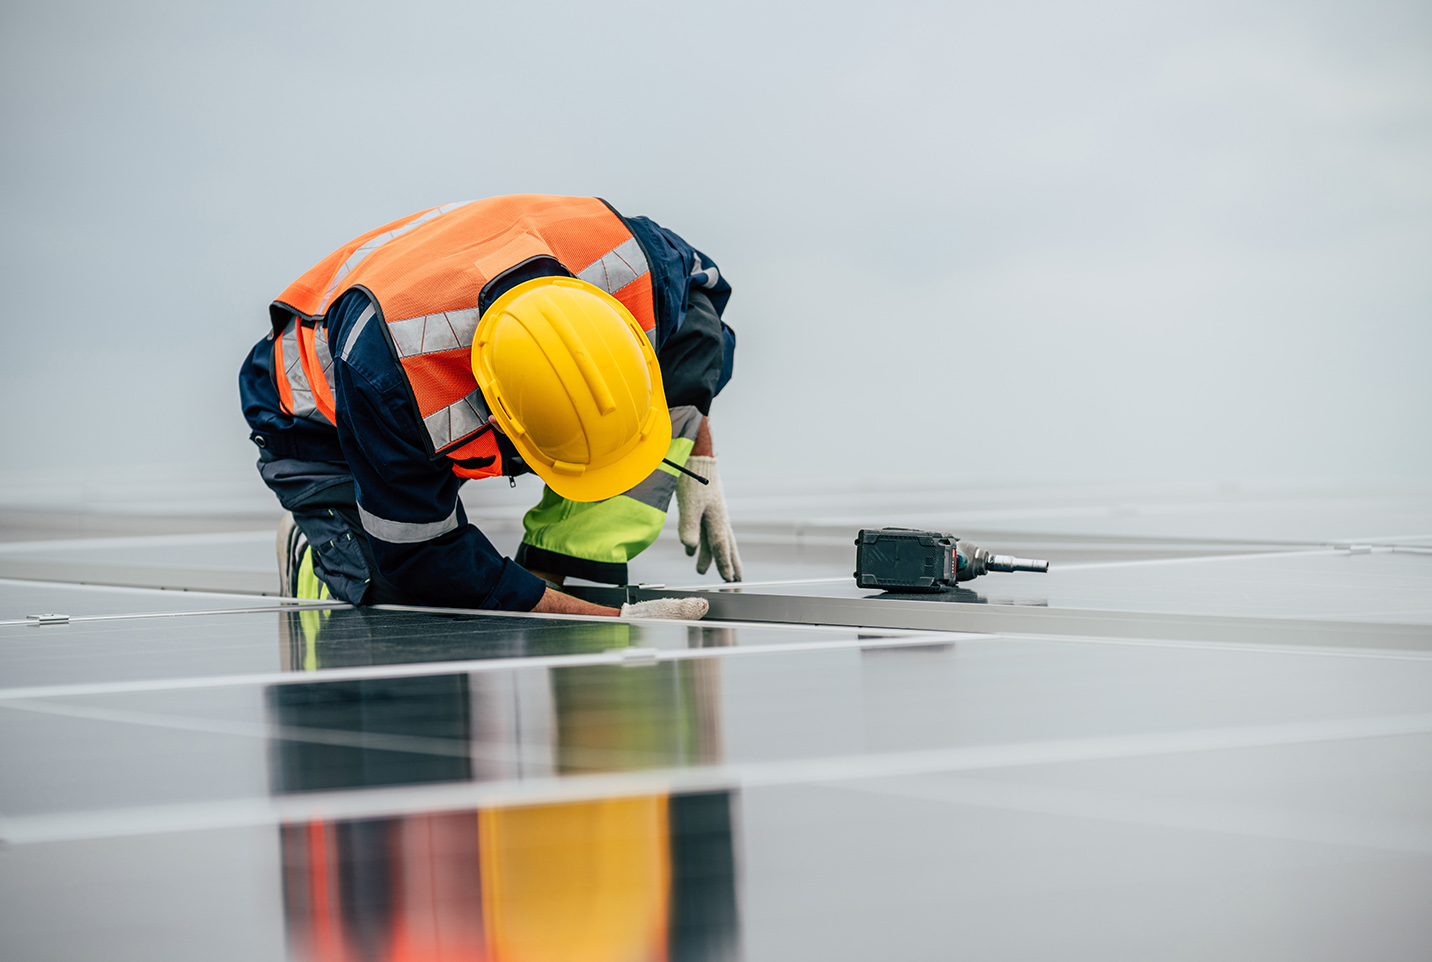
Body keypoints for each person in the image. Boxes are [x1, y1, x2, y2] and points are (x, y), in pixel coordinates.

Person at [238, 194, 741, 619]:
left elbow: (699, 327)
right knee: (410, 609)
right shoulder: (389, 370)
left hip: (428, 346)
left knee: (687, 371)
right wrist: (610, 620)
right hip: (320, 418)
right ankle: (319, 553)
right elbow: (425, 555)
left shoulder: (637, 265)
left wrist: (700, 452)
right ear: (498, 417)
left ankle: (572, 563)